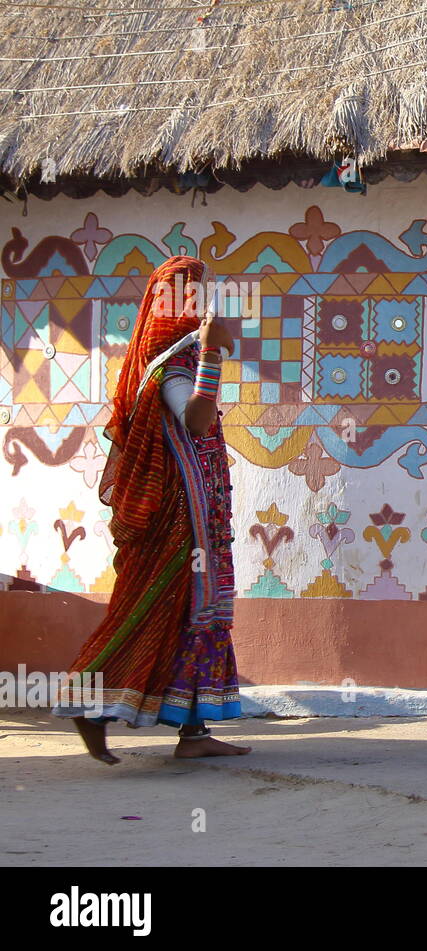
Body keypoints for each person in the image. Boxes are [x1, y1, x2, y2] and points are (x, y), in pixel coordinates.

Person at [53, 255, 250, 763]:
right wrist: (212, 353)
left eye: (195, 293)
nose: (194, 302)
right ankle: (86, 702)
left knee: (194, 617)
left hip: (200, 516)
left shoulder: (173, 359)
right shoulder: (170, 364)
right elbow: (197, 420)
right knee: (155, 609)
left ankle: (194, 732)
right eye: (183, 293)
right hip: (178, 524)